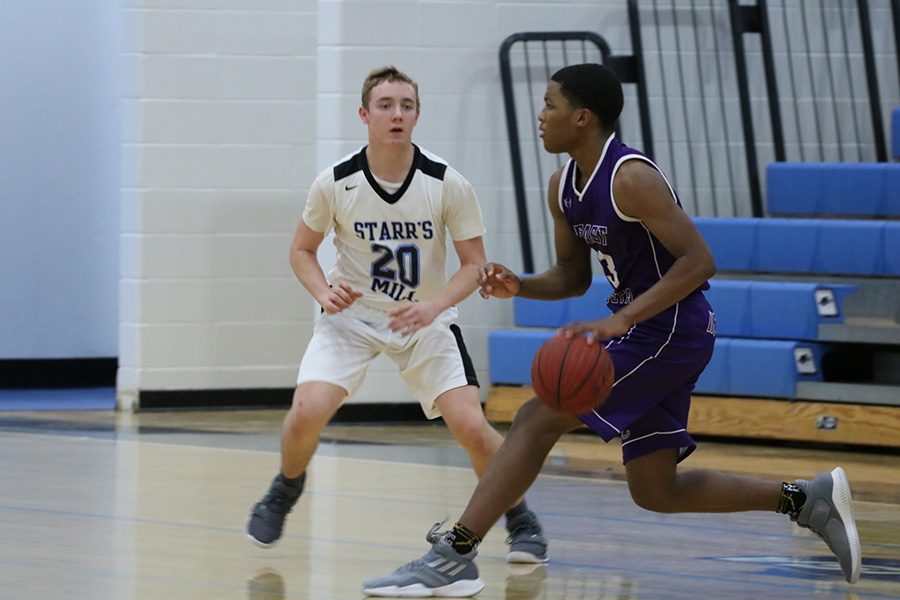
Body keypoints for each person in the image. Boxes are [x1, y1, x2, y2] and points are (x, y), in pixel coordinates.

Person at [361, 63, 860, 597]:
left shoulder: (631, 177)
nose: (541, 114)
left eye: (551, 104)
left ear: (582, 117)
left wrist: (621, 318)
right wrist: (519, 286)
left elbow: (698, 261)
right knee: (656, 489)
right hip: (644, 331)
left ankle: (454, 552)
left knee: (533, 417)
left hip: (672, 330)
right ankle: (807, 500)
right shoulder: (563, 186)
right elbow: (572, 277)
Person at [246, 66, 548, 565]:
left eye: (406, 105)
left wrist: (432, 305)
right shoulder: (335, 182)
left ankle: (519, 516)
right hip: (353, 318)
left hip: (425, 318)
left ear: (417, 115)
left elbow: (474, 265)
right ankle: (286, 486)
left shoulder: (447, 183)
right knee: (305, 412)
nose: (397, 114)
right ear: (365, 115)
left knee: (472, 427)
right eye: (386, 105)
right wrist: (323, 291)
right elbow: (301, 250)